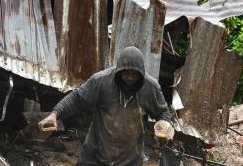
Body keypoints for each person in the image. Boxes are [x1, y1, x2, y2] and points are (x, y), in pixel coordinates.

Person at [39, 46, 174, 166]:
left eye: (135, 75)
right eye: (126, 73)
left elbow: (163, 113)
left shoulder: (150, 88)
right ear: (118, 70)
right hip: (95, 155)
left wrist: (165, 125)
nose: (130, 78)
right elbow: (77, 99)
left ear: (142, 73)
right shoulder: (101, 81)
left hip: (130, 159)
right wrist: (55, 114)